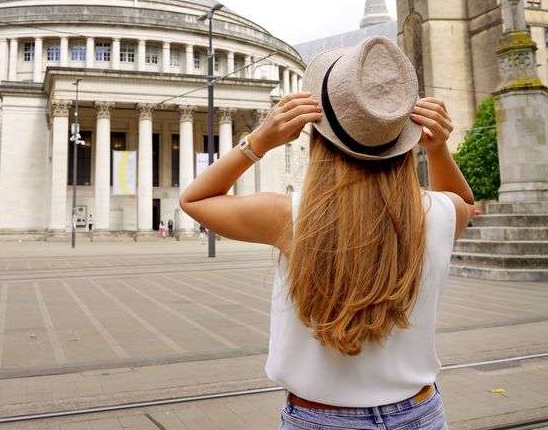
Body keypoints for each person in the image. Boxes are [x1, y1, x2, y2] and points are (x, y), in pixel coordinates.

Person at [180, 36, 475, 429]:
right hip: (420, 413)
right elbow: (461, 199)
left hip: (320, 418)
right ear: (406, 134)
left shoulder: (291, 215)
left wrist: (259, 141)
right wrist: (437, 149)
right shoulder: (438, 213)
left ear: (318, 135)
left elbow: (195, 200)